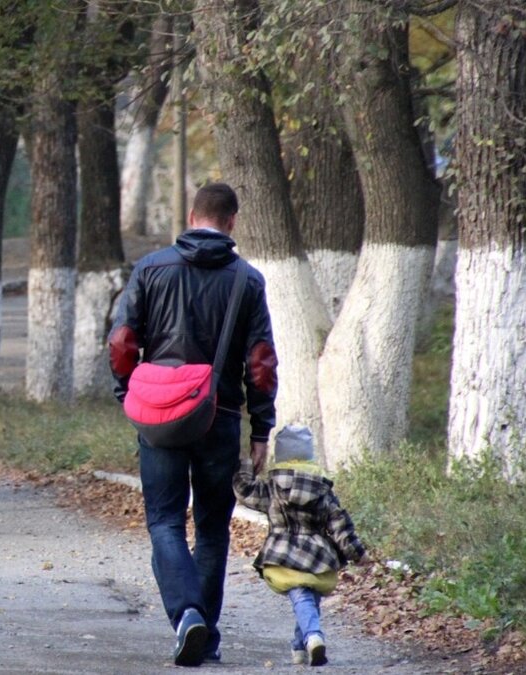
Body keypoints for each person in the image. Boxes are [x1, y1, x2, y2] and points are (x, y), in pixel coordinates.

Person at [108, 182, 278, 667]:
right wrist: (261, 429)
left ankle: (187, 617)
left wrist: (129, 395)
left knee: (164, 521)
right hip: (218, 417)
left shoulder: (151, 268)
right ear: (232, 222)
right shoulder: (247, 280)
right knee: (211, 529)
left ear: (190, 215)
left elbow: (122, 343)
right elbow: (261, 363)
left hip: (158, 416)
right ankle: (206, 629)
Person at [233, 424, 367, 667]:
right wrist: (358, 554)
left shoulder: (272, 488)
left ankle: (313, 637)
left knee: (301, 597)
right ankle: (301, 646)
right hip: (317, 556)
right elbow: (340, 525)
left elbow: (244, 492)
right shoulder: (322, 489)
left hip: (283, 554)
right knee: (308, 598)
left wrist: (246, 464)